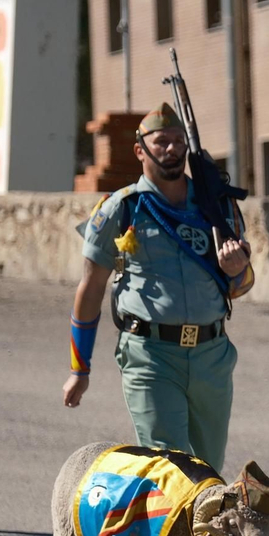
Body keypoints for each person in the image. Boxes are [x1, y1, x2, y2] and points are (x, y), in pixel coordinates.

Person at [62, 103, 253, 475]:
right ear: (140, 150)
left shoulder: (217, 207)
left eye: (179, 141)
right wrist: (79, 368)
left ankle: (188, 534)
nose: (172, 148)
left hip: (211, 355)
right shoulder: (122, 208)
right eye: (162, 140)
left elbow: (240, 286)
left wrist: (238, 269)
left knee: (208, 470)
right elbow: (90, 288)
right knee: (171, 469)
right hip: (150, 354)